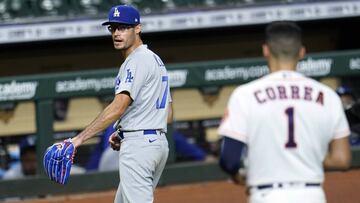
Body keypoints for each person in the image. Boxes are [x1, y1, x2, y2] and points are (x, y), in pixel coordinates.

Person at [218, 21, 351, 203]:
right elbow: (342, 160)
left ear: (266, 50)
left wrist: (239, 176)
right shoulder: (328, 96)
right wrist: (303, 158)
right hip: (312, 195)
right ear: (302, 52)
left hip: (266, 195)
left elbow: (229, 160)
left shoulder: (245, 94)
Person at [70, 4, 171, 203]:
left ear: (137, 28)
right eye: (113, 28)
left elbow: (118, 106)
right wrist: (126, 131)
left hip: (139, 149)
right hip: (156, 144)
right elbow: (169, 113)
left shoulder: (136, 60)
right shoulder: (155, 59)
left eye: (123, 27)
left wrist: (78, 139)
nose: (117, 33)